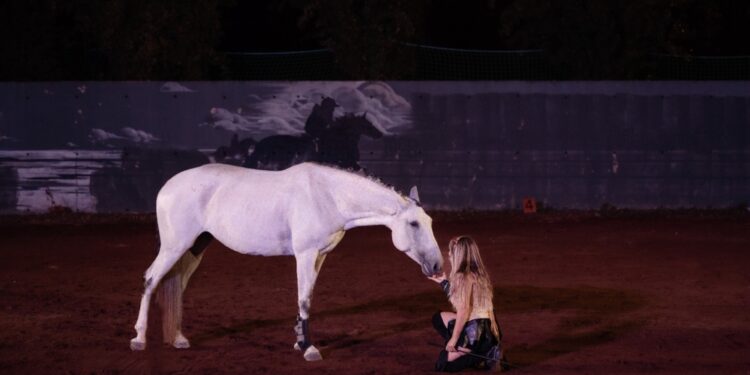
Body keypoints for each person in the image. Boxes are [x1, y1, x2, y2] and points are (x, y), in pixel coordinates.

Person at [428, 236, 505, 372]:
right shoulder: (480, 274)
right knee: (438, 318)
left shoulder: (463, 276)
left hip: (476, 335)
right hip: (490, 331)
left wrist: (454, 339)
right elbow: (461, 301)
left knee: (443, 363)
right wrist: (444, 283)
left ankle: (484, 356)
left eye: (451, 253)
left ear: (458, 255)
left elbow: (463, 309)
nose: (449, 255)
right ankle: (486, 351)